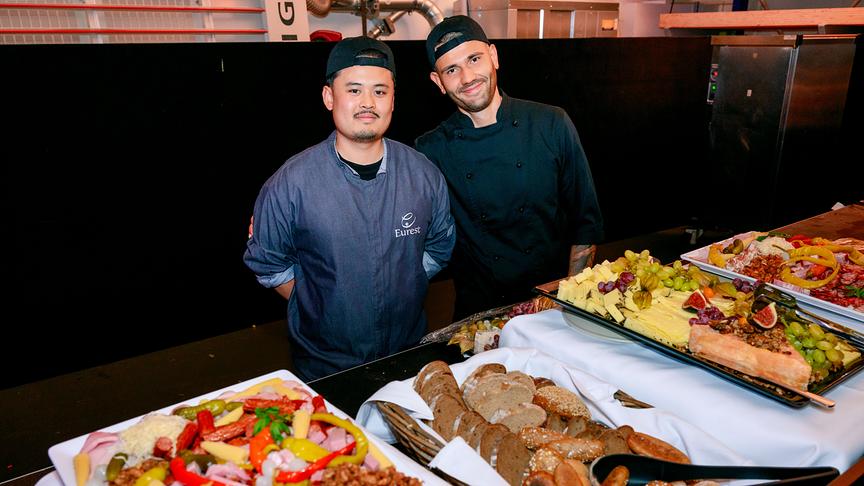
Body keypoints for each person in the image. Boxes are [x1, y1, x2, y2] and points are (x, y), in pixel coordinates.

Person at [244, 36, 455, 380]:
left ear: (393, 100)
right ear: (330, 97)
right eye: (354, 90)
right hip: (325, 370)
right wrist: (321, 302)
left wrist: (400, 283)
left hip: (408, 360)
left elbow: (438, 248)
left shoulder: (424, 175)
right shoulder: (291, 182)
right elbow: (267, 263)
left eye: (380, 91)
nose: (367, 103)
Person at [415, 16, 603, 319]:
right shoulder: (430, 150)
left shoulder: (551, 123)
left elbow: (586, 221)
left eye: (474, 59)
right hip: (479, 316)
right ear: (438, 82)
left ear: (494, 57)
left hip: (552, 305)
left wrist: (570, 300)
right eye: (452, 69)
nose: (467, 77)